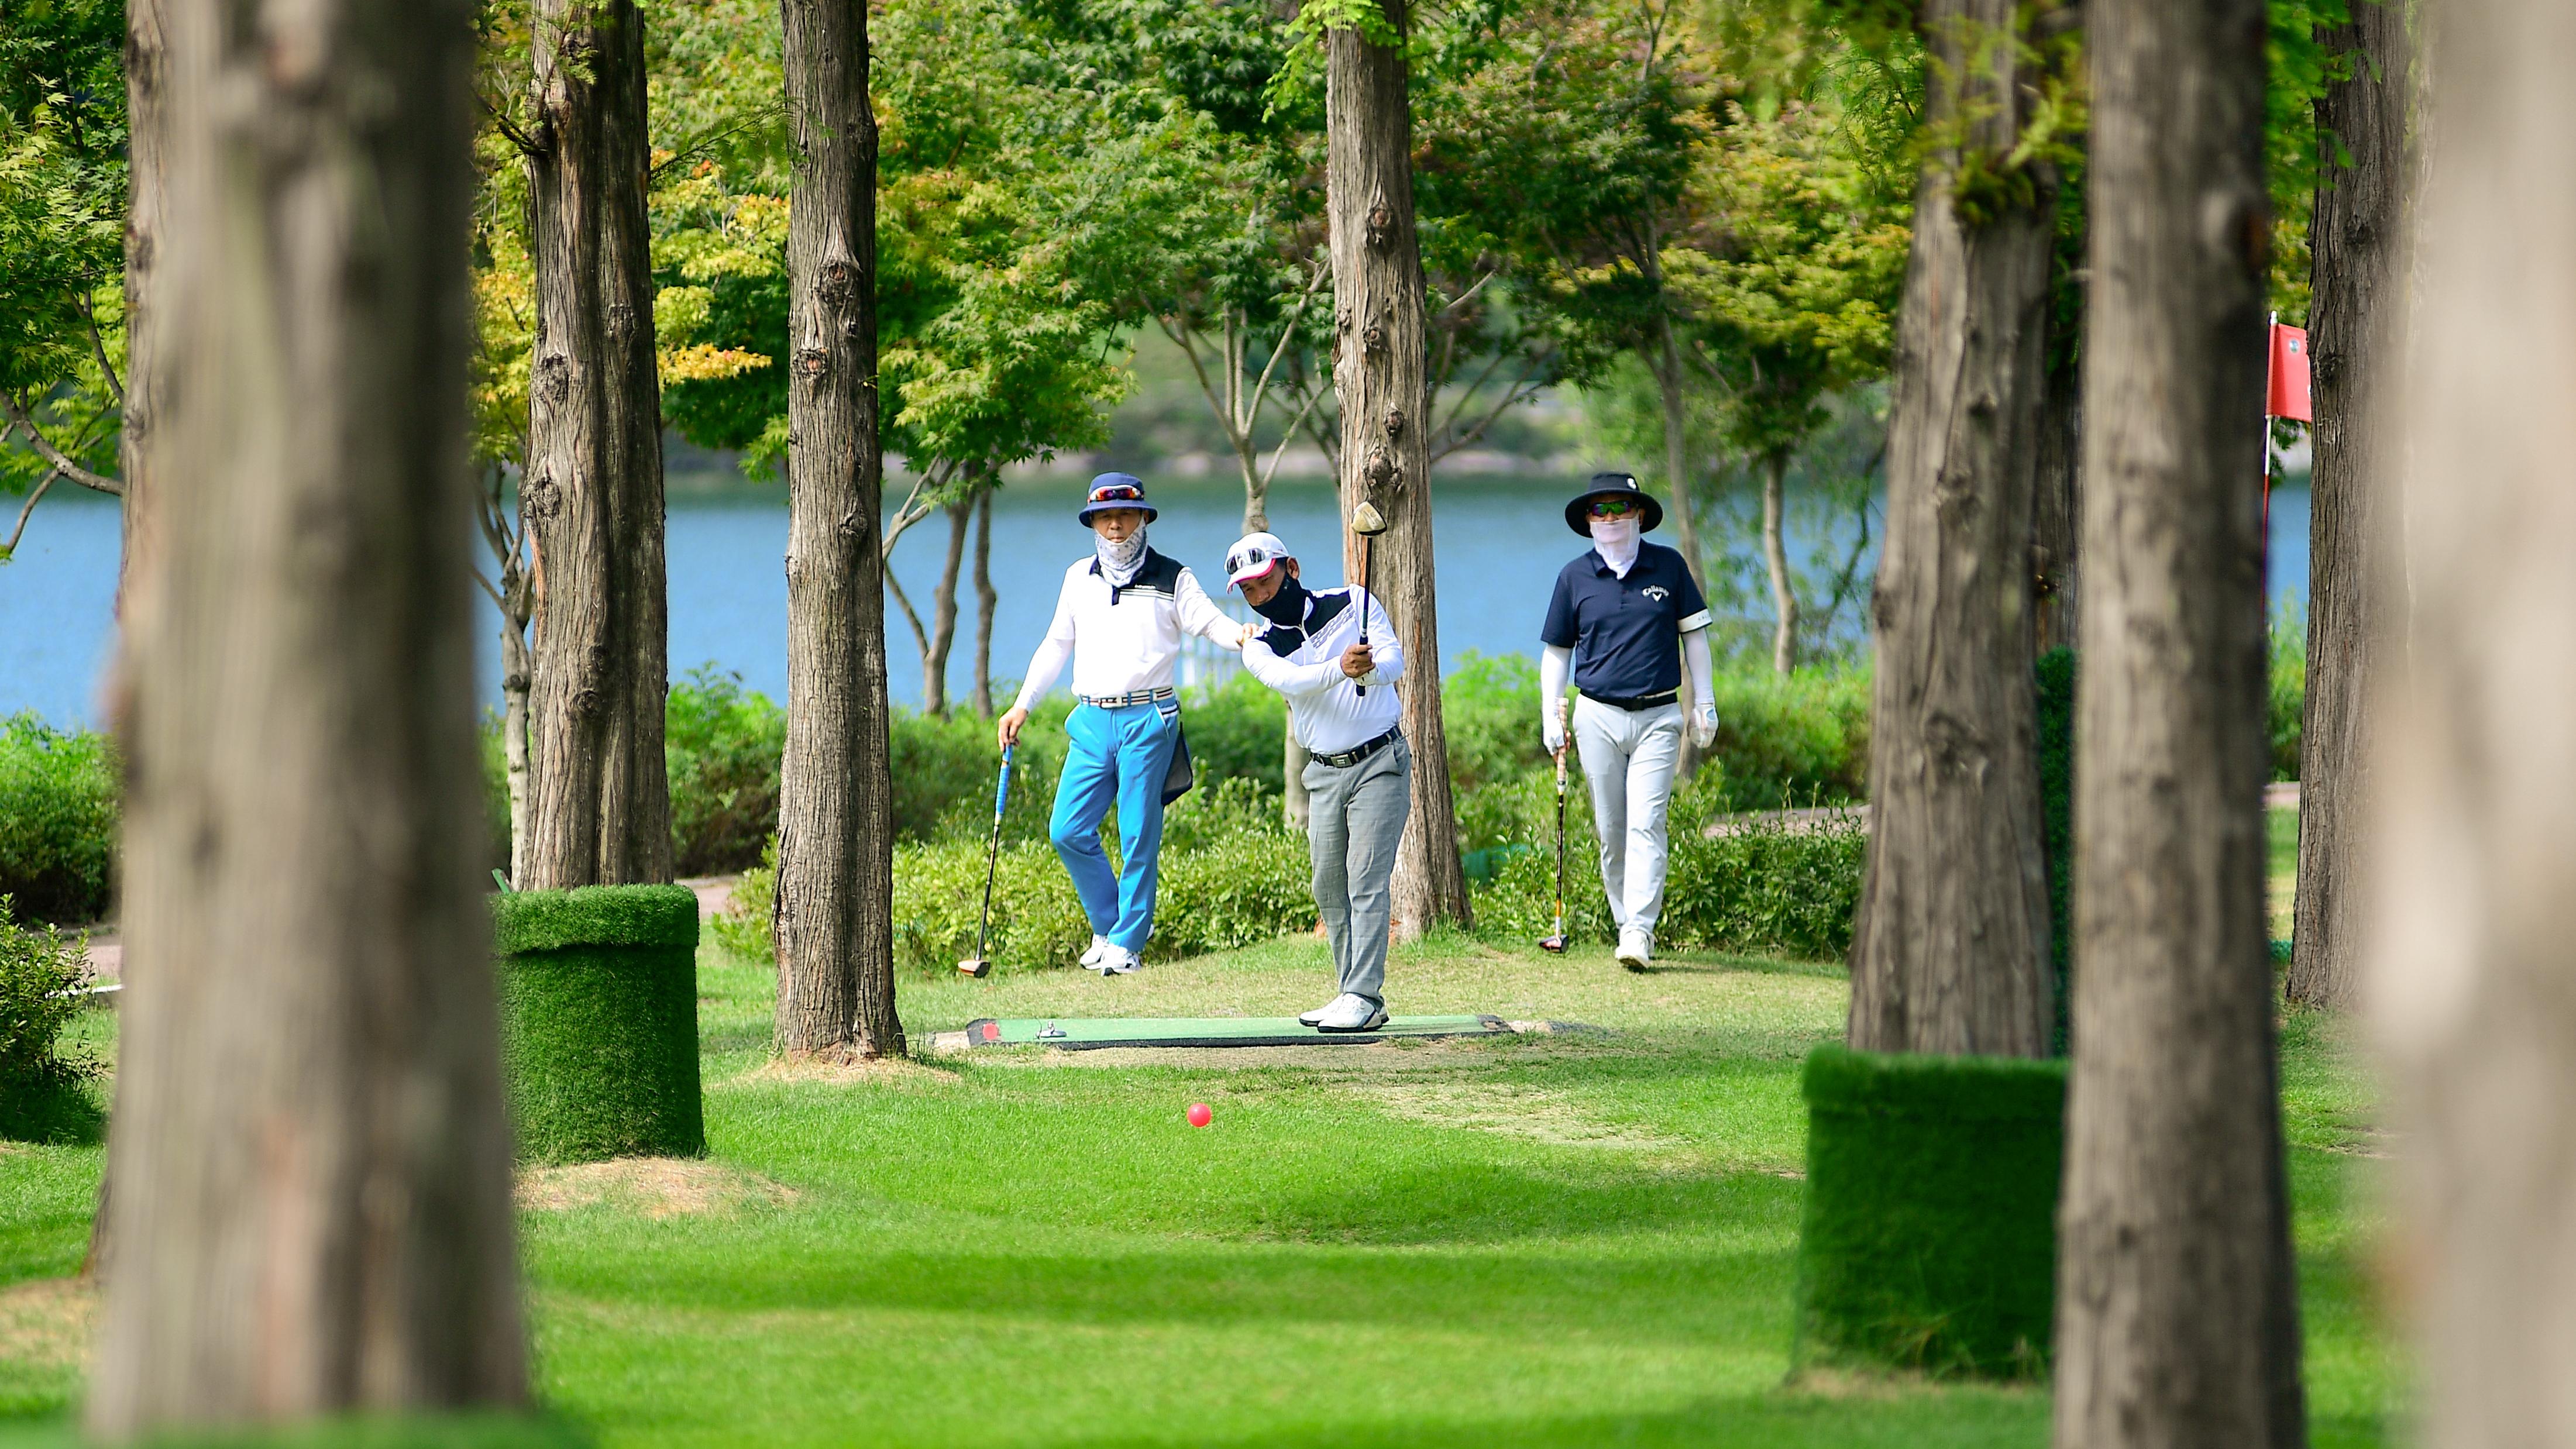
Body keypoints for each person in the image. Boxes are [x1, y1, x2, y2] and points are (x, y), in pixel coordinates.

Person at [998, 475, 1247, 975]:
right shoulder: (1077, 578)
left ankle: (1128, 945)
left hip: (1148, 718)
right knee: (1067, 829)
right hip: (1089, 719)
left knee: (1137, 833)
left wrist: (1244, 636)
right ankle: (1110, 924)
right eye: (1104, 517)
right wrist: (1023, 703)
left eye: (1125, 515)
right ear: (1092, 522)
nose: (1115, 525)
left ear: (1143, 519)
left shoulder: (1173, 577)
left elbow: (1210, 622)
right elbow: (1055, 645)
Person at [1226, 530, 1405, 1032]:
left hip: (1379, 760)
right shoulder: (1259, 645)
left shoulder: (1354, 601)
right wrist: (1339, 667)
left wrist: (1367, 671)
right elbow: (1293, 682)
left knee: (1366, 878)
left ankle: (1361, 994)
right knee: (1329, 884)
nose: (1258, 595)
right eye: (1248, 589)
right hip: (1323, 772)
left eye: (1264, 581)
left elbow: (1395, 661)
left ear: (1292, 568)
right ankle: (1354, 991)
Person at [1538, 472, 1718, 971]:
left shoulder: (1669, 567)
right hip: (1595, 714)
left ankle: (1639, 930)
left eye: (1620, 507)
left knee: (1646, 823)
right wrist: (1549, 713)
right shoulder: (1574, 576)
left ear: (1639, 513)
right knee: (1611, 829)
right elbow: (1556, 653)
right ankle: (1625, 922)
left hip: (1659, 715)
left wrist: (1704, 702)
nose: (1610, 517)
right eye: (1600, 510)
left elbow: (1695, 640)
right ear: (1588, 521)